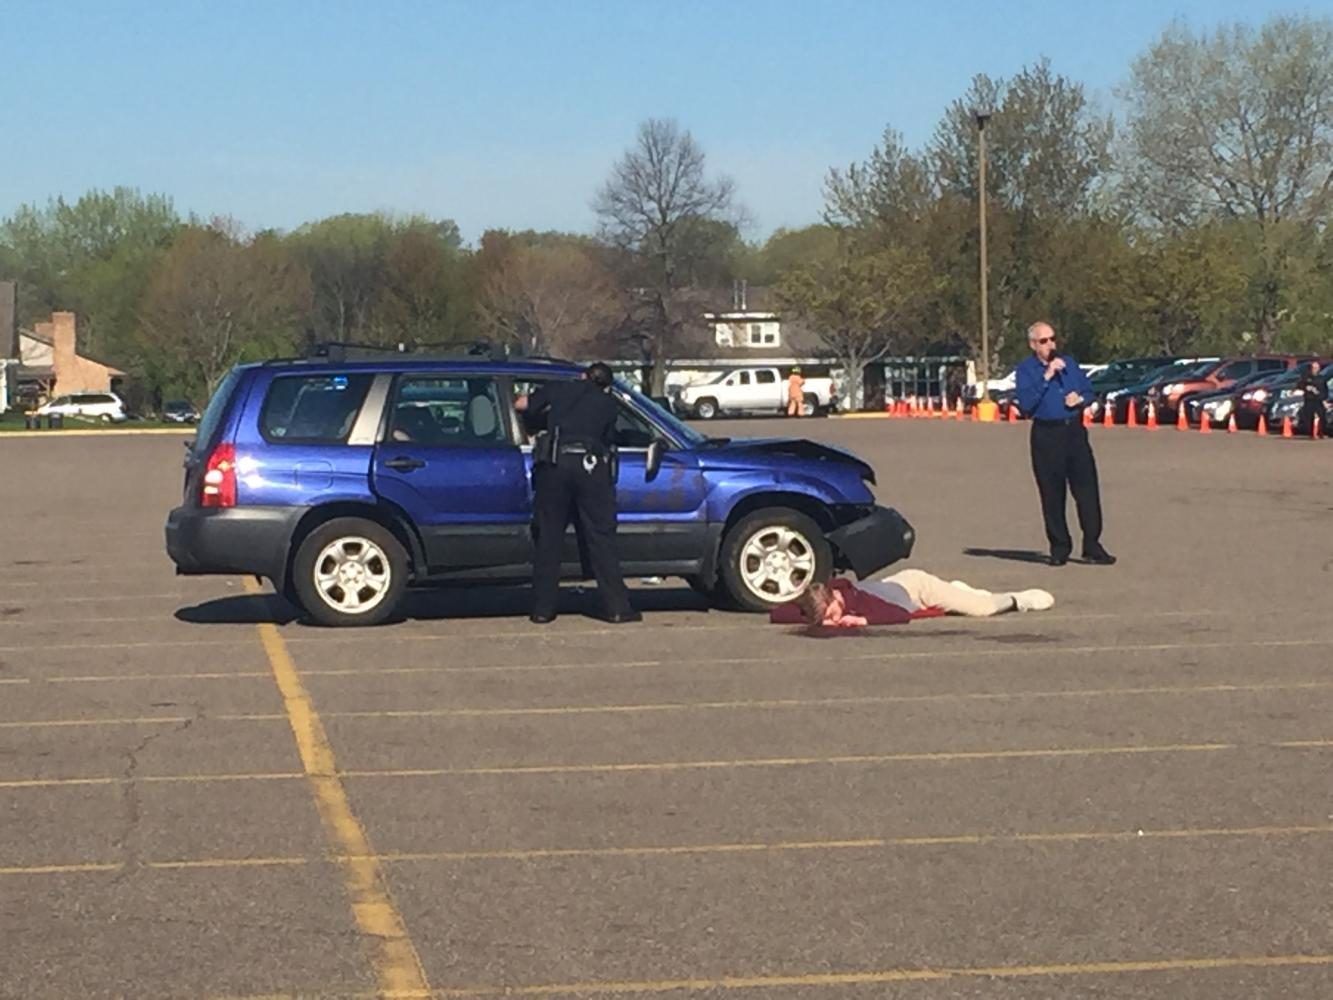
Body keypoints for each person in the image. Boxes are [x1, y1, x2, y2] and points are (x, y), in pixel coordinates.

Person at [516, 363, 640, 625]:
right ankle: (617, 608)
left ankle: (542, 610)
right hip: (591, 466)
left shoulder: (560, 388)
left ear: (583, 376)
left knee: (549, 537)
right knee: (601, 537)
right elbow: (610, 437)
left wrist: (536, 421)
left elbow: (522, 405)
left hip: (555, 464)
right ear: (606, 385)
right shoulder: (608, 404)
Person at [1015, 322, 1115, 567]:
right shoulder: (1026, 370)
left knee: (1087, 490)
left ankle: (1092, 544)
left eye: (1052, 339)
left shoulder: (1069, 363)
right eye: (1043, 341)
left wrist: (1080, 399)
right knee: (1052, 493)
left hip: (1074, 432)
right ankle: (1059, 547)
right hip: (1046, 434)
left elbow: (1089, 391)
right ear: (1033, 345)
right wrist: (1046, 376)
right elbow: (1026, 404)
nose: (1050, 345)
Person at [771, 570, 1054, 628]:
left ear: (836, 597)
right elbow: (778, 614)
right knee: (960, 598)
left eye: (832, 613)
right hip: (896, 584)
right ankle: (957, 588)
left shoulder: (859, 600)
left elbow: (899, 615)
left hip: (917, 588)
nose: (833, 620)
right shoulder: (824, 599)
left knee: (982, 608)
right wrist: (812, 614)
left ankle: (1019, 598)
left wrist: (860, 619)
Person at [1297, 361, 1328, 438]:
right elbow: (1299, 385)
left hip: (1319, 400)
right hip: (1309, 399)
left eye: (1316, 368)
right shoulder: (1306, 377)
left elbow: (1325, 390)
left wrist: (1323, 398)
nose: (1315, 369)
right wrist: (1306, 388)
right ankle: (1311, 433)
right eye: (1313, 368)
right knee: (1309, 417)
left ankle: (1321, 433)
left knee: (1322, 416)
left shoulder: (1321, 378)